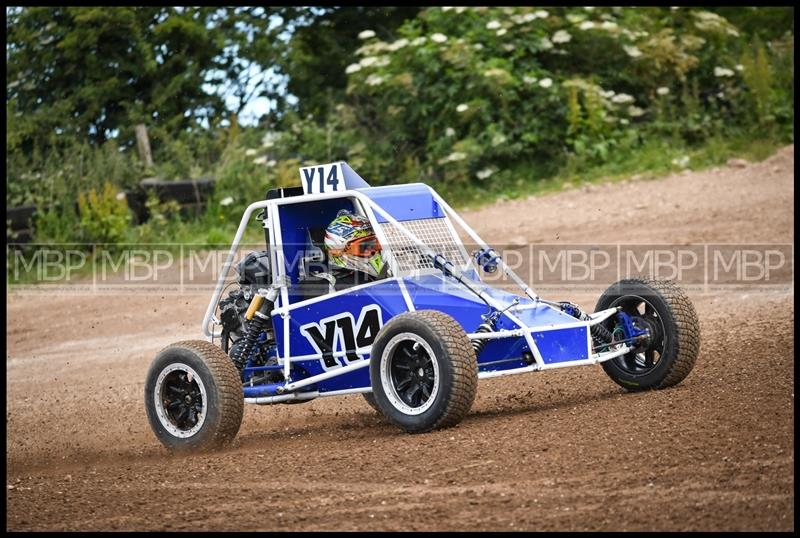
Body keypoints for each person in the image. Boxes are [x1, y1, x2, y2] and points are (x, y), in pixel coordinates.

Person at [323, 209, 386, 288]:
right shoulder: (324, 284)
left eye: (375, 244)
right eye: (364, 246)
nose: (373, 250)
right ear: (337, 252)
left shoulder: (387, 272)